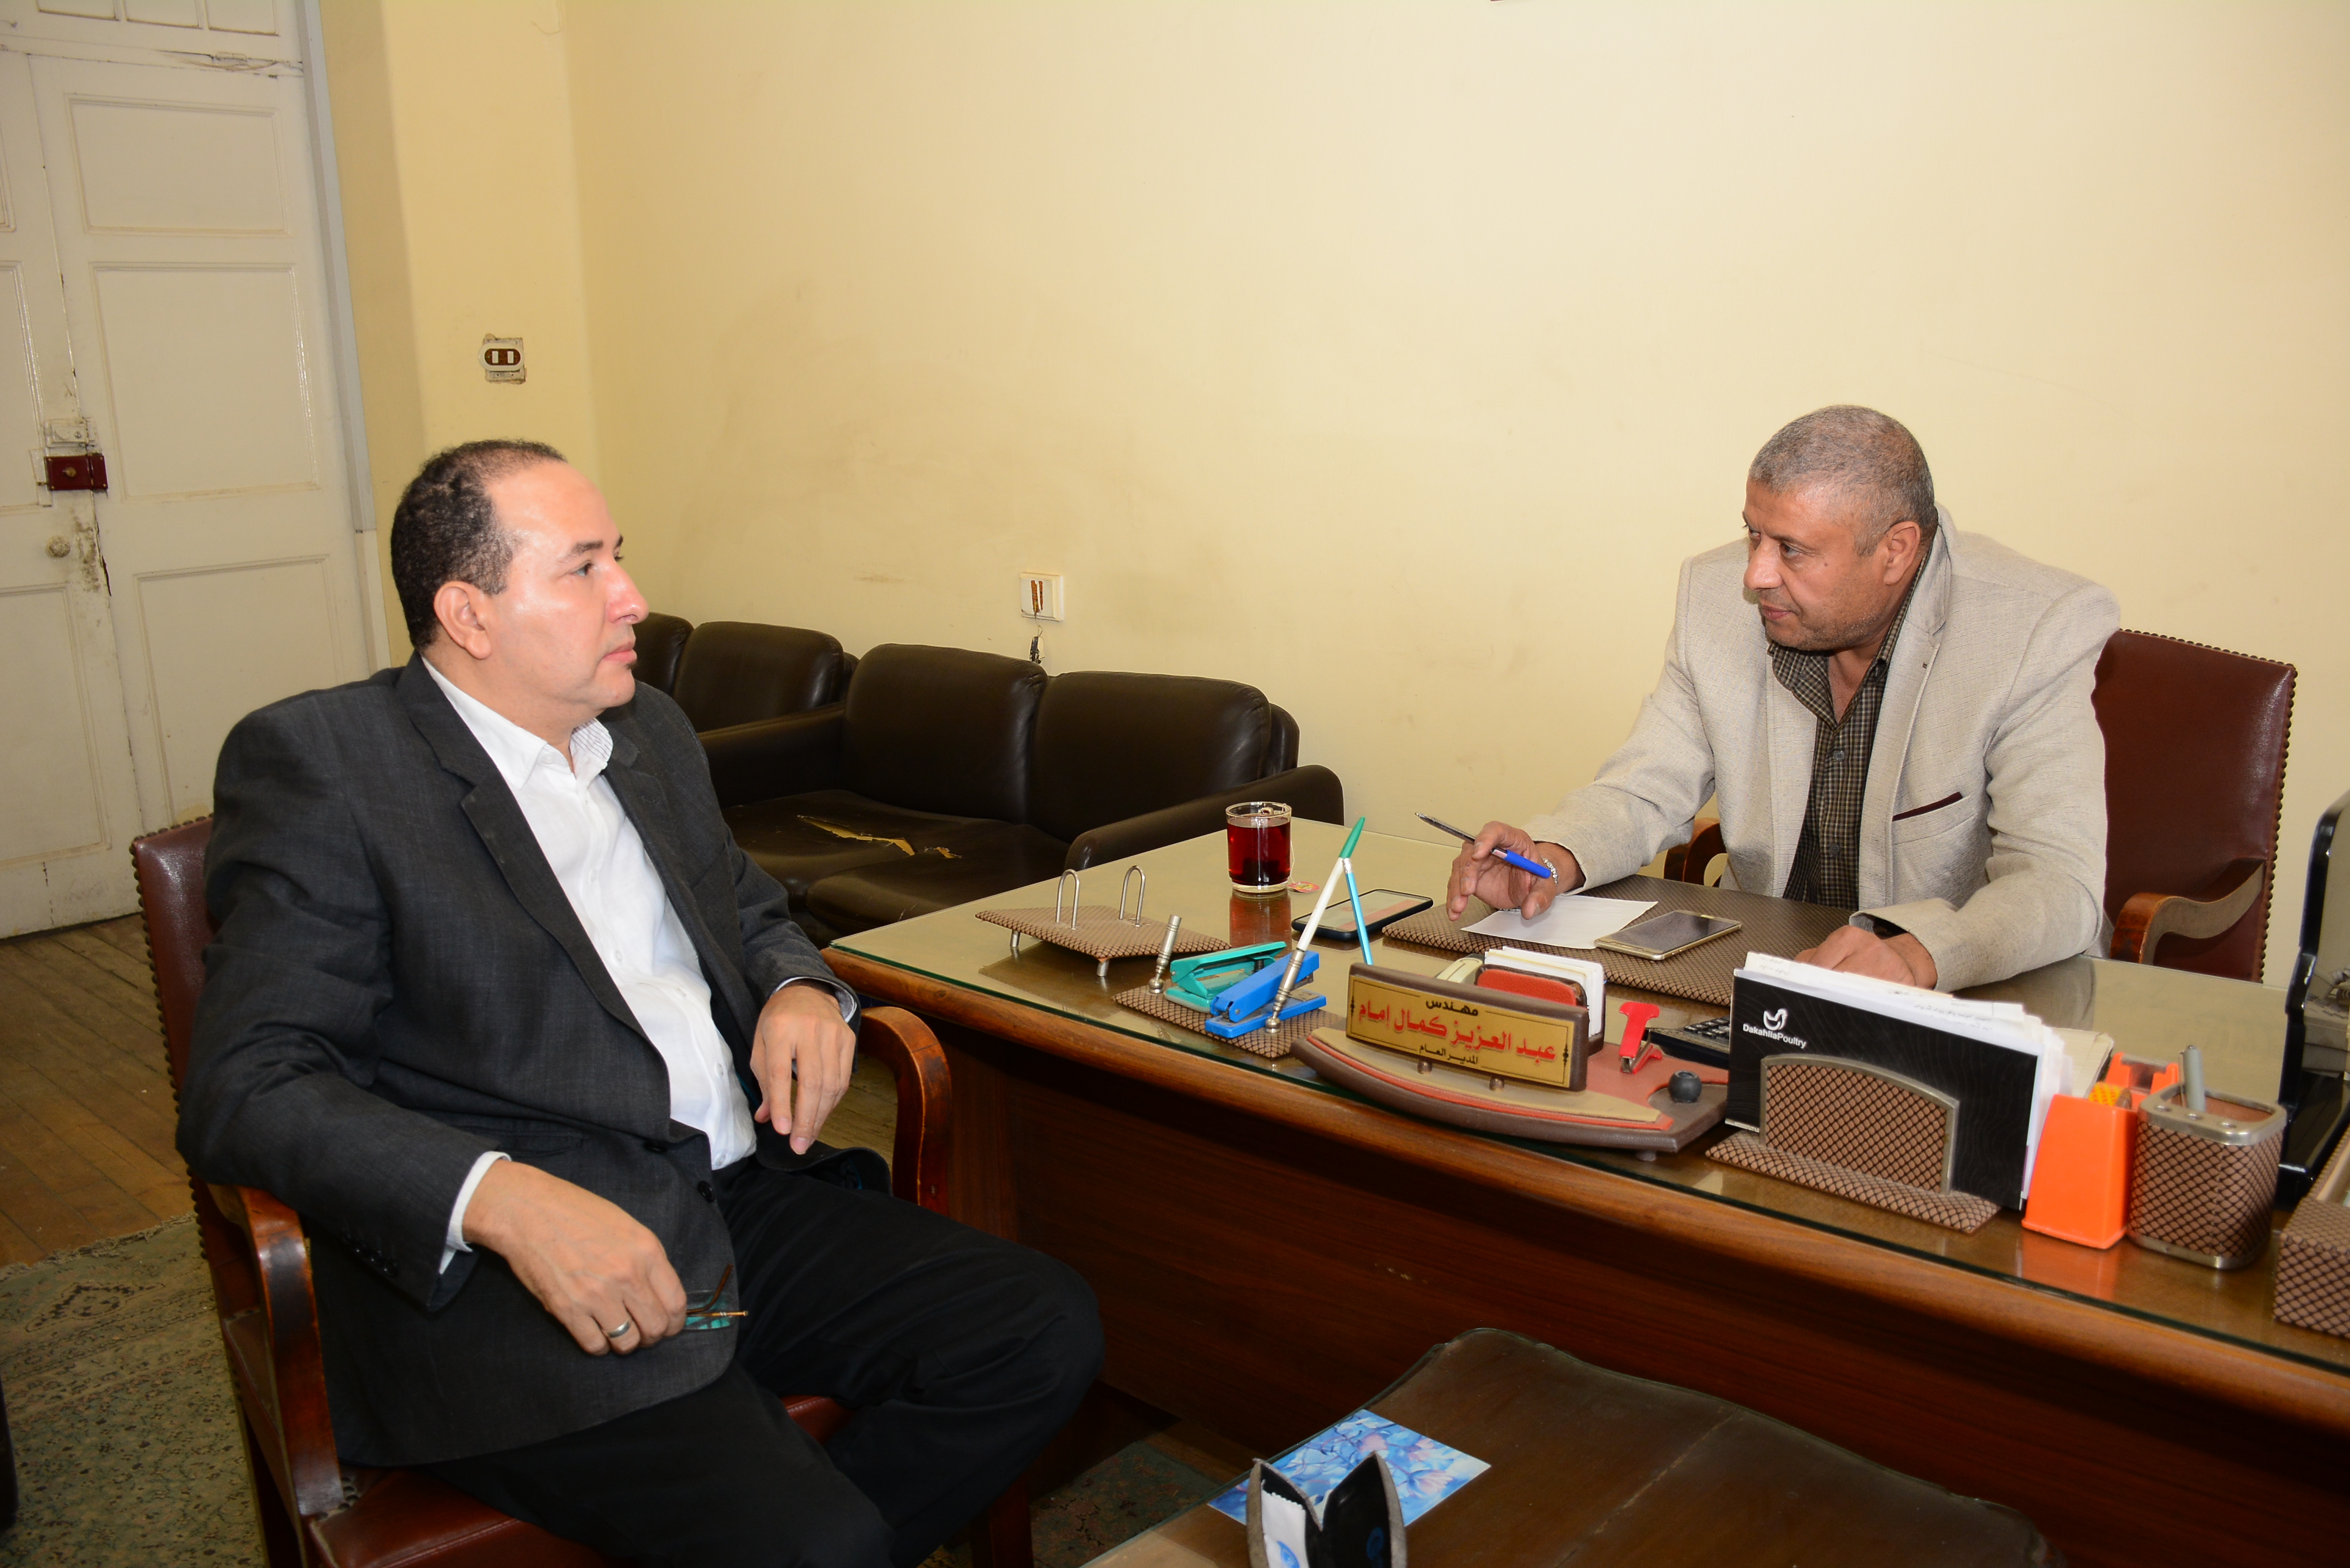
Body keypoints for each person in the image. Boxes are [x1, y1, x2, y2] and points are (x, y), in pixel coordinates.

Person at [178, 440, 1101, 1568]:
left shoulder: (648, 730)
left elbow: (750, 909)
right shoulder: (330, 765)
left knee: (1043, 1327)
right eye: (582, 569)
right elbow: (248, 1084)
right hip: (524, 1275)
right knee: (816, 1543)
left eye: (617, 555)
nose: (632, 597)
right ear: (469, 614)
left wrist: (800, 988)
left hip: (733, 1200)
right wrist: (505, 1200)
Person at [1447, 406, 2115, 993]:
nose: (1755, 574)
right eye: (1753, 535)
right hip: (1759, 972)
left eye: (1791, 550)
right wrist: (1551, 858)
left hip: (1958, 999)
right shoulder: (1715, 597)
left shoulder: (2031, 628)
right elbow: (1644, 789)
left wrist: (1919, 956)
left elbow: (2057, 879)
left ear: (1895, 551)